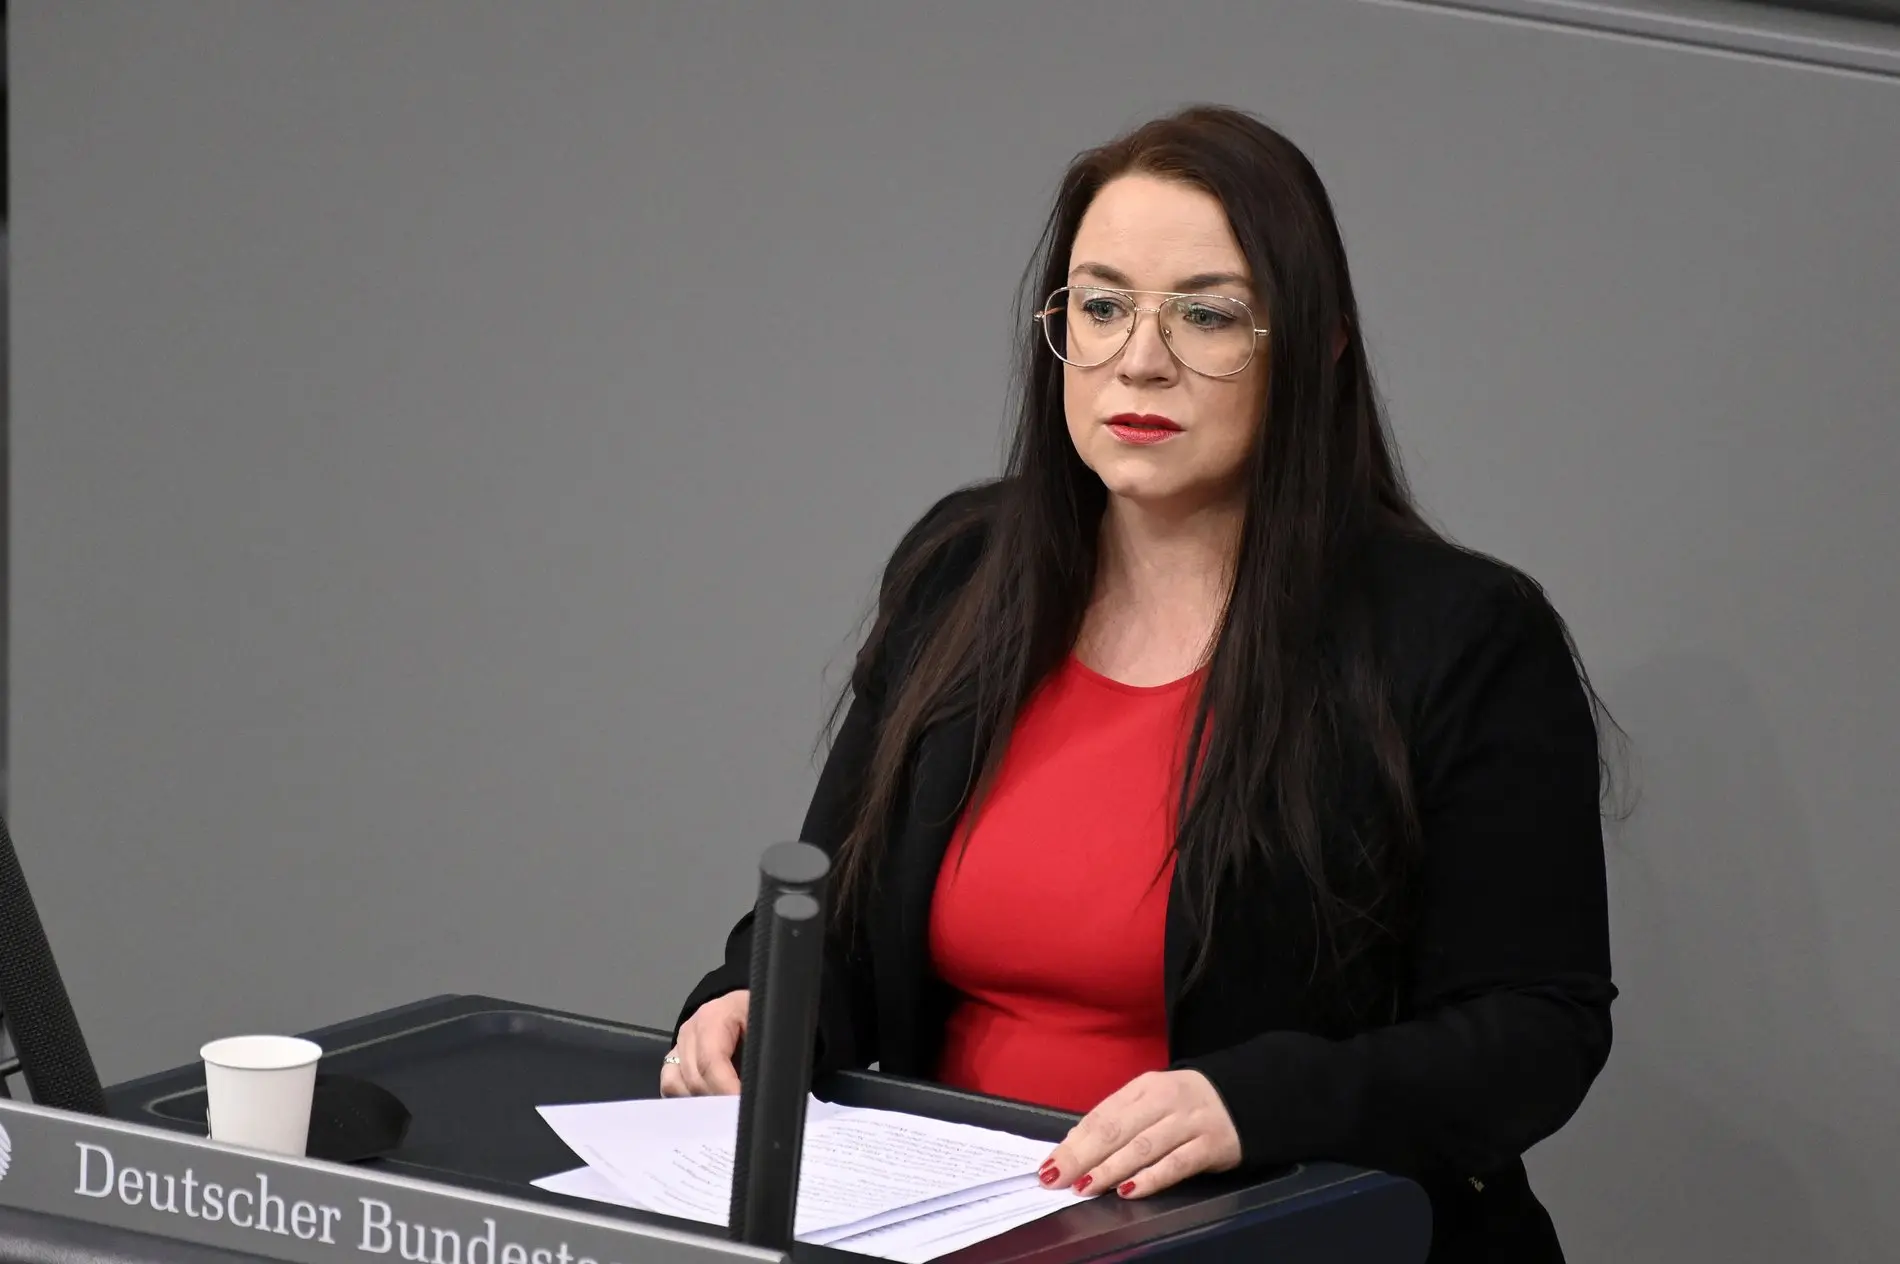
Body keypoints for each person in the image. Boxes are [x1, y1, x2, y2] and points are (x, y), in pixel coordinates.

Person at [662, 104, 1616, 1263]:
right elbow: (841, 927)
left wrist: (1252, 1103)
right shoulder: (962, 568)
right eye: (1102, 307)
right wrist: (755, 1005)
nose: (1140, 358)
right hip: (945, 1223)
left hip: (1273, 1234)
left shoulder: (1460, 635)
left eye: (1206, 315)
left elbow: (1534, 1033)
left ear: (1315, 346)